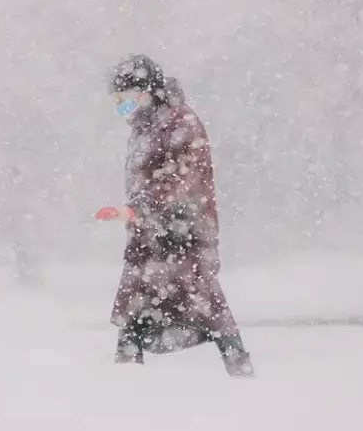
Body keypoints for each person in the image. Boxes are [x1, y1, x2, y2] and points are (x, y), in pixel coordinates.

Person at [95, 54, 254, 377]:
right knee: (136, 307)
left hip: (184, 233)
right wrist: (136, 214)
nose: (121, 106)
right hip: (150, 236)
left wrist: (135, 209)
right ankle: (125, 376)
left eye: (125, 98)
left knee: (205, 304)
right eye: (117, 99)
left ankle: (241, 373)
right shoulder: (143, 127)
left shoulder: (182, 123)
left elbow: (181, 179)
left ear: (147, 92)